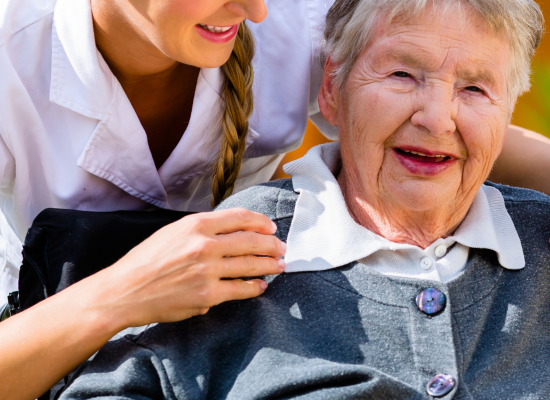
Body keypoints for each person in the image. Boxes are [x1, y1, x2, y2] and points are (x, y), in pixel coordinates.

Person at [0, 0, 548, 398]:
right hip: (53, 322)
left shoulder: (298, 25)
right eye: (403, 75)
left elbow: (436, 117)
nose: (257, 12)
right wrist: (123, 291)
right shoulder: (11, 57)